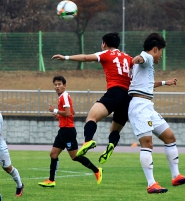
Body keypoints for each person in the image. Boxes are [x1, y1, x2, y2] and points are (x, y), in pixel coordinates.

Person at [51, 32, 132, 165]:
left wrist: (65, 57)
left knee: (91, 118)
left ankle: (88, 141)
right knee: (115, 130)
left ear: (104, 44)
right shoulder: (128, 57)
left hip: (114, 92)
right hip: (127, 97)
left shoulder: (106, 53)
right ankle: (111, 145)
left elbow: (86, 58)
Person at [128, 33, 185, 194]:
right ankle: (151, 184)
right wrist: (134, 61)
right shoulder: (147, 58)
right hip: (139, 108)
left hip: (147, 106)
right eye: (161, 52)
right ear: (155, 49)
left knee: (169, 137)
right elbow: (141, 58)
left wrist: (166, 82)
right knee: (147, 144)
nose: (161, 56)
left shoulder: (147, 66)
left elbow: (148, 83)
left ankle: (176, 176)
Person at [38, 75, 102, 187]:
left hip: (68, 131)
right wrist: (59, 116)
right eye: (55, 84)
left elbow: (68, 113)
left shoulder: (65, 96)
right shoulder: (62, 97)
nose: (57, 86)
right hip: (63, 131)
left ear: (64, 86)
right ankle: (51, 180)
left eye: (59, 84)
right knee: (53, 154)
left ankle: (97, 170)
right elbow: (72, 113)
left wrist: (55, 110)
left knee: (75, 156)